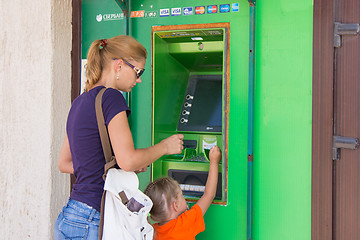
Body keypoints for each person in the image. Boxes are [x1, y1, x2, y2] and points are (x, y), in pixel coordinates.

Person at [54, 35, 184, 240]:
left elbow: (65, 163)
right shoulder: (111, 98)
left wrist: (115, 167)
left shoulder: (79, 102)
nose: (139, 79)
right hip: (97, 220)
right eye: (138, 71)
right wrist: (164, 147)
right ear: (119, 65)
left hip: (69, 218)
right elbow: (128, 160)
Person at [144, 146, 222, 240]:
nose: (183, 197)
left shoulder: (153, 231)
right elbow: (209, 195)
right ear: (175, 205)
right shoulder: (185, 223)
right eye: (181, 195)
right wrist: (214, 162)